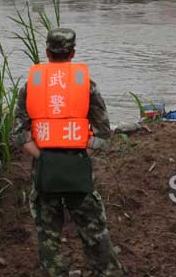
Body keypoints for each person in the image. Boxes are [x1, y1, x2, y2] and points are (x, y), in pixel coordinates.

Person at [11, 28, 123, 277]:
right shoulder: (87, 85)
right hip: (78, 172)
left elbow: (19, 135)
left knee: (48, 237)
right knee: (95, 234)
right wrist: (80, 157)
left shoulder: (32, 86)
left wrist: (46, 159)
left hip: (44, 174)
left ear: (47, 52)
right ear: (73, 53)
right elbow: (103, 133)